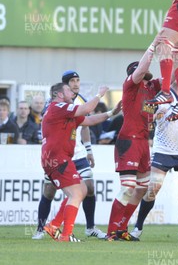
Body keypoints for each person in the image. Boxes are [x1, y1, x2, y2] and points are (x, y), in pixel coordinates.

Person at [32, 70, 108, 240]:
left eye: (78, 80)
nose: (75, 84)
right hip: (56, 155)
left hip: (74, 153)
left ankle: (80, 227)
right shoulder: (57, 104)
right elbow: (86, 111)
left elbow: (87, 123)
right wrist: (100, 94)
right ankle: (50, 230)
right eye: (71, 82)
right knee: (54, 191)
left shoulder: (78, 101)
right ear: (62, 89)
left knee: (85, 188)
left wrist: (112, 113)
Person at [106, 35, 164, 241]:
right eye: (140, 69)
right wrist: (154, 46)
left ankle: (121, 229)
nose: (146, 71)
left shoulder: (150, 88)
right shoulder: (130, 85)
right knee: (128, 188)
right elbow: (141, 69)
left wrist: (175, 51)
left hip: (142, 143)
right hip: (128, 141)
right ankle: (111, 231)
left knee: (141, 190)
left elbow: (171, 78)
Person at [130, 88, 178, 242]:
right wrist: (153, 116)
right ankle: (138, 228)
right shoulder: (163, 95)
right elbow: (146, 113)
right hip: (163, 150)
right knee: (153, 189)